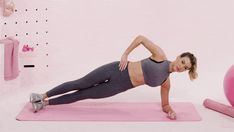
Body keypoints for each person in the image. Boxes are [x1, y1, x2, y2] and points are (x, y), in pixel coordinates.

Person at [30, 35, 198, 120]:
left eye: (185, 68)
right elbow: (140, 38)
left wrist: (170, 112)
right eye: (183, 62)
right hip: (117, 69)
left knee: (84, 95)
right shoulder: (160, 55)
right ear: (178, 57)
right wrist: (125, 54)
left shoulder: (165, 82)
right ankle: (42, 95)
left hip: (118, 87)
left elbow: (165, 104)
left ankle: (44, 104)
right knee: (80, 83)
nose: (181, 67)